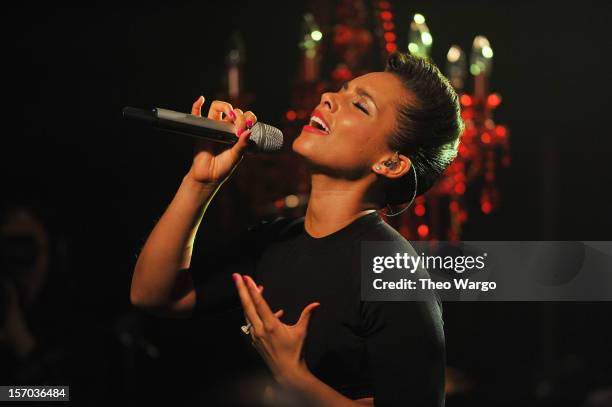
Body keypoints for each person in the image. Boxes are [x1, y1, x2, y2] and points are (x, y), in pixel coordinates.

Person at [130, 51, 464, 407]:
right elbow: (153, 294)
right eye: (340, 90)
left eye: (360, 106)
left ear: (391, 162)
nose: (328, 98)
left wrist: (295, 377)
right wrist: (200, 182)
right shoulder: (273, 241)